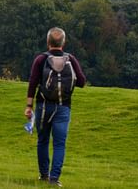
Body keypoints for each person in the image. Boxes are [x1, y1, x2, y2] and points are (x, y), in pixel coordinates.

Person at [24, 27, 86, 187]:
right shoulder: (70, 59)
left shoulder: (40, 59)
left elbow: (32, 83)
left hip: (43, 106)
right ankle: (54, 179)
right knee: (59, 144)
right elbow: (81, 82)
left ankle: (43, 175)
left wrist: (29, 106)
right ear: (63, 43)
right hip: (63, 107)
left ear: (48, 42)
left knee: (43, 140)